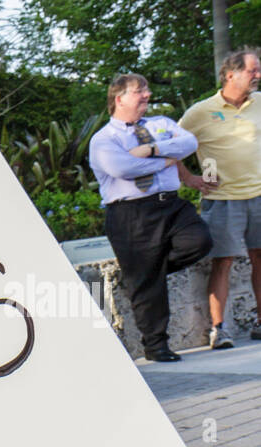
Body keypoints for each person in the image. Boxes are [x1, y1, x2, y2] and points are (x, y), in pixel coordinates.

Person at [89, 73, 213, 361]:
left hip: (170, 206)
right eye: (138, 91)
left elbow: (190, 143)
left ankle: (146, 273)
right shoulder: (104, 139)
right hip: (131, 214)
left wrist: (152, 148)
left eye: (146, 90)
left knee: (200, 241)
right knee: (146, 283)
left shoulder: (162, 125)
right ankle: (156, 346)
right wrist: (168, 159)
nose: (146, 95)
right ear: (119, 99)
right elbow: (125, 168)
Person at [179, 48, 261, 349]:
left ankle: (260, 323)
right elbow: (172, 147)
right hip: (224, 199)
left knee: (260, 259)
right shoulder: (201, 112)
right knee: (223, 262)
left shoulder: (260, 103)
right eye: (252, 70)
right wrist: (189, 178)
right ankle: (219, 330)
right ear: (230, 74)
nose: (258, 76)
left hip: (260, 196)